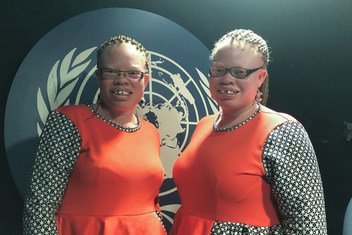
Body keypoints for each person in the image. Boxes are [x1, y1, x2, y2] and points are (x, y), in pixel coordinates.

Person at [170, 29, 327, 234]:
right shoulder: (204, 125)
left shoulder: (282, 131)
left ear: (260, 77)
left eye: (239, 72)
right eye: (219, 70)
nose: (227, 79)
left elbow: (309, 226)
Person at [23, 35, 167, 234]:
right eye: (112, 72)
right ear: (99, 76)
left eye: (133, 73)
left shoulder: (151, 132)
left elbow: (153, 203)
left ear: (146, 81)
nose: (122, 80)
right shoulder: (68, 121)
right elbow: (40, 207)